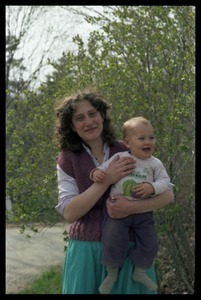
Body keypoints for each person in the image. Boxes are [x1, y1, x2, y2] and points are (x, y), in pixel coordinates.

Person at [54, 87, 174, 294]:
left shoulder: (128, 148)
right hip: (86, 251)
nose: (89, 121)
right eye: (80, 118)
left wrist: (131, 208)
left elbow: (168, 195)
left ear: (102, 115)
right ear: (72, 126)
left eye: (93, 114)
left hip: (129, 248)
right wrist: (106, 180)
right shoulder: (67, 158)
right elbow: (70, 212)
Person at [90, 116, 171, 294]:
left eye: (151, 137)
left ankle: (140, 271)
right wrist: (96, 173)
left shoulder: (155, 163)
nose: (148, 141)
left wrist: (152, 187)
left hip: (143, 213)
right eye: (141, 138)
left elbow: (165, 182)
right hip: (117, 212)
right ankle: (111, 274)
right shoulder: (120, 157)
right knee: (112, 239)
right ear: (127, 142)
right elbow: (103, 169)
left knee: (151, 242)